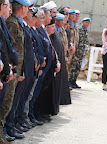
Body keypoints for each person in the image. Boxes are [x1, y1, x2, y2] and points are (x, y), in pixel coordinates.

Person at [2, 0, 32, 140]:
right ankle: (4, 130)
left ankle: (7, 128)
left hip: (16, 70)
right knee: (6, 101)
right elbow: (8, 48)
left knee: (11, 101)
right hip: (10, 70)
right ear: (22, 7)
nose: (28, 11)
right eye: (27, 7)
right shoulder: (12, 23)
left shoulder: (17, 23)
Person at [68, 9, 82, 89]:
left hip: (74, 49)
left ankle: (70, 82)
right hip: (69, 49)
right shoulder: (68, 25)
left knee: (71, 66)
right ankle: (67, 83)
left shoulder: (74, 25)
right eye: (73, 15)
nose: (74, 16)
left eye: (76, 15)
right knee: (68, 66)